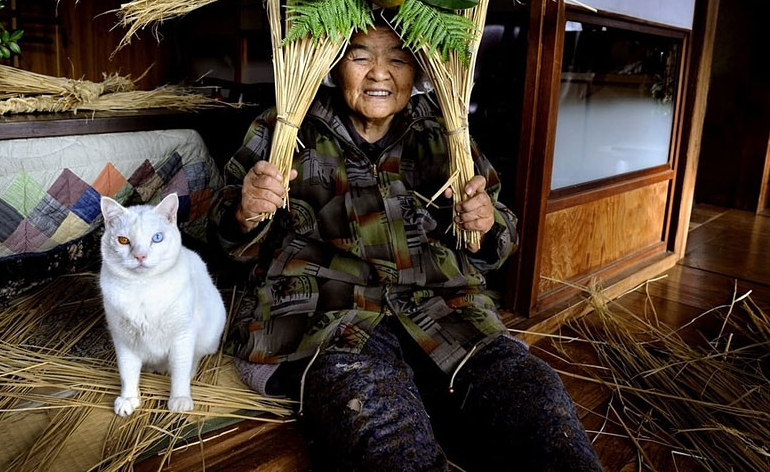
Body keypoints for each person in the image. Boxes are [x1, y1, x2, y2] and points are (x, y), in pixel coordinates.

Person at [209, 24, 602, 471]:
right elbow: (224, 239)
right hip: (329, 319)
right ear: (334, 65)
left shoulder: (446, 131)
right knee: (384, 432)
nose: (379, 74)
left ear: (417, 70)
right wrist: (245, 213)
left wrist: (487, 223)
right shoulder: (286, 128)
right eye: (361, 57)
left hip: (444, 311)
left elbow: (500, 239)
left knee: (535, 402)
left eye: (396, 59)